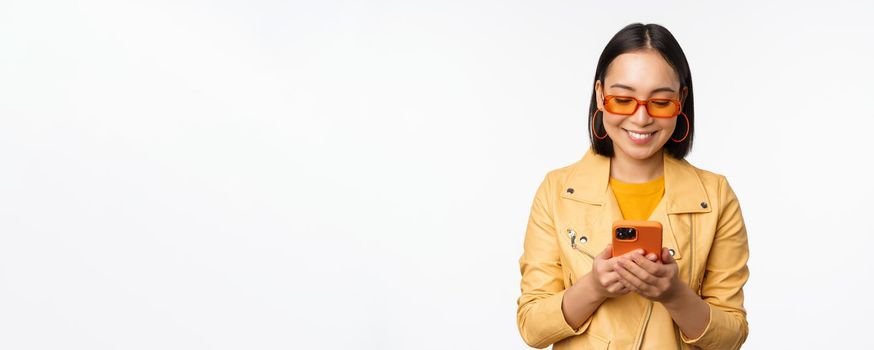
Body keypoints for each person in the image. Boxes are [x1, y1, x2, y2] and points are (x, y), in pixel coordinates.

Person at [516, 23, 750, 350]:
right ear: (600, 95)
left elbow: (731, 336)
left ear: (681, 100)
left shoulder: (714, 196)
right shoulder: (557, 191)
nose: (641, 118)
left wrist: (674, 294)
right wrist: (594, 287)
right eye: (623, 99)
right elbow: (532, 328)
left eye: (660, 102)